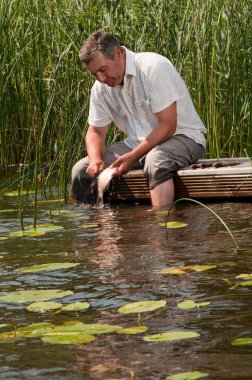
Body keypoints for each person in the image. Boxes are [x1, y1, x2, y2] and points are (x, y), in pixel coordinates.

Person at [71, 31, 206, 208]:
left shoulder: (153, 67)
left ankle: (160, 228)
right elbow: (95, 131)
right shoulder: (100, 88)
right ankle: (94, 230)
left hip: (184, 137)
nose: (101, 79)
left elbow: (168, 125)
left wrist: (134, 156)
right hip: (137, 144)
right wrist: (96, 159)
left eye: (103, 70)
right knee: (80, 170)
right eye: (94, 74)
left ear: (118, 53)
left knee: (155, 161)